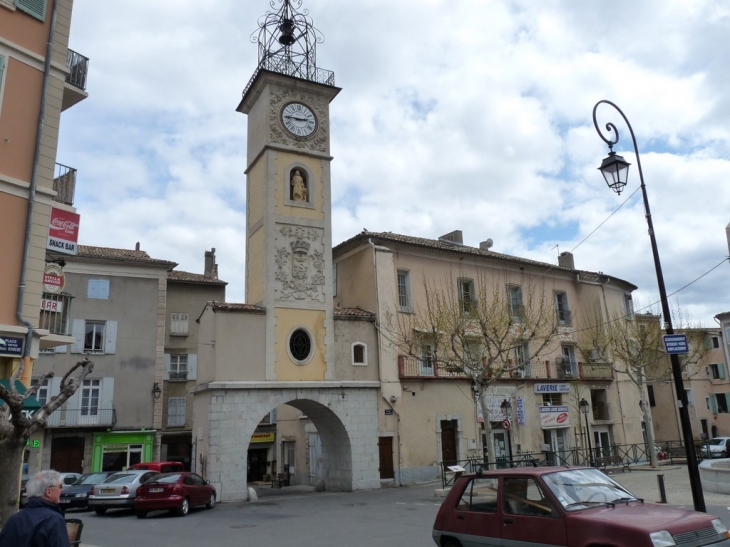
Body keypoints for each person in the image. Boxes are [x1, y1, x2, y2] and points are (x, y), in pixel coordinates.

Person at [0, 470, 70, 547]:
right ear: (48, 492)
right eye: (60, 486)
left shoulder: (14, 518)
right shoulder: (54, 519)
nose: (62, 490)